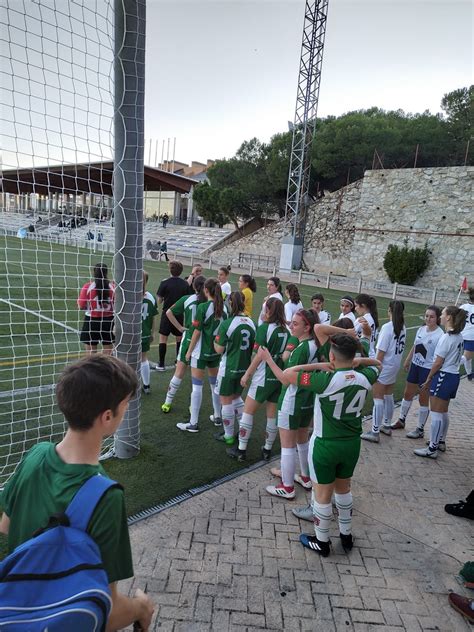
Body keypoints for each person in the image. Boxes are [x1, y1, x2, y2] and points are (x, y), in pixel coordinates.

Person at [0, 355, 155, 631]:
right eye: (125, 405)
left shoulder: (36, 456)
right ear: (107, 417)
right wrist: (141, 607)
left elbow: (5, 524)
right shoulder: (106, 496)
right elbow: (106, 611)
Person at [260, 335, 380, 557]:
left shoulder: (325, 379)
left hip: (325, 445)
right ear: (353, 357)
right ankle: (346, 535)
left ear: (332, 356)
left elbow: (288, 374)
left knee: (323, 493)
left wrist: (318, 365)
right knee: (344, 489)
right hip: (352, 444)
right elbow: (377, 364)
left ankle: (322, 541)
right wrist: (357, 363)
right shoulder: (365, 378)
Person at [264, 309, 319, 499]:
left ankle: (287, 487)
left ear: (307, 327)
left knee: (287, 445)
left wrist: (268, 359)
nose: (290, 326)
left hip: (292, 400)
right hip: (307, 401)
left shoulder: (301, 349)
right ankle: (305, 477)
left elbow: (285, 380)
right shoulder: (316, 345)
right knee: (302, 439)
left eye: (295, 323)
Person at [227, 297, 288, 461]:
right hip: (278, 376)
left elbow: (259, 355)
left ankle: (241, 450)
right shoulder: (286, 329)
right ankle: (267, 449)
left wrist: (247, 373)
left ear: (269, 311)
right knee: (271, 415)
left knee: (248, 412)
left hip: (263, 377)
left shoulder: (265, 329)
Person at [414, 305, 466, 458]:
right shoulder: (459, 336)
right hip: (453, 376)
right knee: (443, 411)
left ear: (449, 317)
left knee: (436, 413)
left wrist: (429, 378)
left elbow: (438, 362)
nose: (441, 316)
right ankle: (440, 441)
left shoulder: (446, 337)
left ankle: (432, 449)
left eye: (443, 314)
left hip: (444, 376)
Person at [177, 278, 227, 432]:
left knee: (197, 387)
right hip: (216, 353)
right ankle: (218, 416)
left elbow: (197, 332)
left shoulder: (203, 307)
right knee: (214, 385)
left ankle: (193, 423)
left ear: (206, 290)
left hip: (200, 353)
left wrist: (189, 351)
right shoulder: (225, 308)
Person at [392, 305, 443, 436]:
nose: (428, 319)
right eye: (427, 316)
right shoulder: (421, 329)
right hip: (415, 366)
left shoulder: (440, 335)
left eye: (432, 317)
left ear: (437, 319)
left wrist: (431, 375)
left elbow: (439, 357)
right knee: (407, 393)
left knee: (423, 398)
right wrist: (408, 360)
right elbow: (415, 346)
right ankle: (401, 419)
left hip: (427, 369)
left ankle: (420, 429)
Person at [213, 291, 256, 445]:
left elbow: (219, 349)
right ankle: (244, 431)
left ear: (230, 303)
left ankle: (229, 435)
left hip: (229, 368)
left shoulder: (227, 323)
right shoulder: (252, 323)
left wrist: (214, 341)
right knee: (236, 398)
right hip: (245, 368)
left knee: (225, 400)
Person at [361, 300, 406, 443]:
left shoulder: (388, 327)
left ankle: (374, 431)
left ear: (390, 311)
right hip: (394, 365)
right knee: (388, 395)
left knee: (378, 397)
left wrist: (375, 366)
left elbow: (381, 351)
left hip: (385, 365)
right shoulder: (402, 327)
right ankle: (386, 425)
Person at [161, 275, 207, 413]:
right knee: (198, 378)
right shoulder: (211, 302)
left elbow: (169, 312)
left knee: (179, 372)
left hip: (188, 339)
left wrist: (180, 327)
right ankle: (195, 407)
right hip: (204, 341)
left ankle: (167, 402)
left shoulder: (187, 299)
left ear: (193, 286)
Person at [156, 260, 191, 371]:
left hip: (167, 314)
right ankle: (178, 360)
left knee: (163, 338)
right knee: (179, 338)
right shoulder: (185, 284)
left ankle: (161, 364)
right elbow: (187, 299)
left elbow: (159, 300)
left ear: (170, 270)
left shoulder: (164, 282)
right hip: (179, 314)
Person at [78, 262, 115, 354]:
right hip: (108, 321)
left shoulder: (87, 287)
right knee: (108, 354)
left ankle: (92, 368)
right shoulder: (113, 287)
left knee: (91, 355)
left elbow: (81, 306)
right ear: (106, 273)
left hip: (91, 321)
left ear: (94, 273)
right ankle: (107, 368)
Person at [141, 271, 158, 394]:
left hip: (129, 333)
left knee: (125, 359)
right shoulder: (151, 297)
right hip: (144, 333)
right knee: (143, 358)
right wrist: (152, 332)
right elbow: (153, 317)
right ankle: (146, 386)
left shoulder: (129, 295)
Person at [354, 293, 379, 358]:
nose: (355, 309)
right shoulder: (373, 318)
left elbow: (349, 333)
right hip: (372, 354)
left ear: (363, 306)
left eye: (356, 306)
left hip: (364, 354)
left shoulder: (362, 320)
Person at [459, 286, 474, 380]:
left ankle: (469, 374)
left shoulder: (463, 307)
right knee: (466, 357)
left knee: (467, 357)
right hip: (472, 336)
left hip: (462, 335)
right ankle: (447, 366)